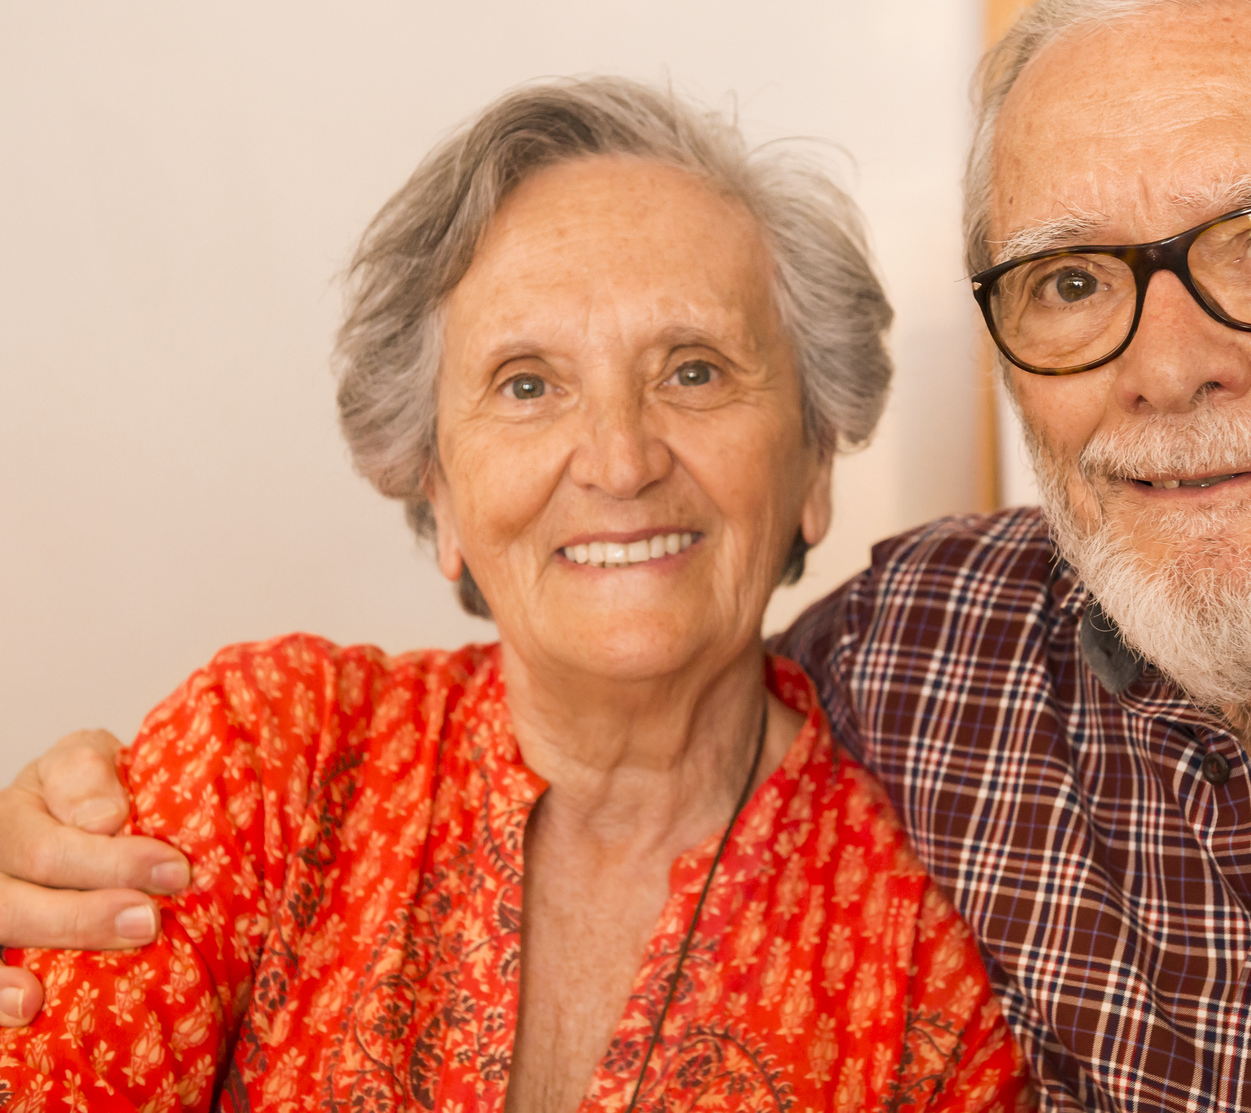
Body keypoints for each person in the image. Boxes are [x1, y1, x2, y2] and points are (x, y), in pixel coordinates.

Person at [5, 0, 1251, 1108]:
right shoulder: (935, 652)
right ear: (426, 481)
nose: (1168, 364)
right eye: (1073, 280)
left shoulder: (896, 926)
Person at [0, 78, 1032, 1111]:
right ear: (437, 486)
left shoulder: (917, 965)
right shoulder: (265, 762)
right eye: (527, 384)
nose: (620, 461)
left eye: (696, 370)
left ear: (814, 460)